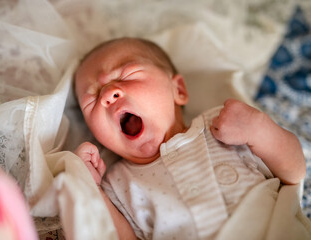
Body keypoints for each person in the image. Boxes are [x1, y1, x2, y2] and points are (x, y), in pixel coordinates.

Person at [73, 37, 306, 240]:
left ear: (179, 90)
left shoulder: (223, 126)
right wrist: (91, 189)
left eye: (126, 74)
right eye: (90, 100)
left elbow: (294, 171)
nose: (107, 95)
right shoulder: (116, 185)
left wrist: (259, 129)